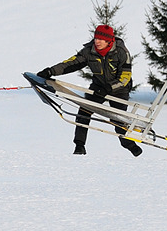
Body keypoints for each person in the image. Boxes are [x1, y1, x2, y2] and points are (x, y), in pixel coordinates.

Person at [36, 24, 142, 157]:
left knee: (118, 120)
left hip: (119, 89)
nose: (97, 42)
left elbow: (125, 77)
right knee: (84, 113)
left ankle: (129, 144)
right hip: (98, 87)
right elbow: (71, 63)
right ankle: (79, 146)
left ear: (109, 41)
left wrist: (109, 88)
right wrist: (50, 71)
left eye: (100, 39)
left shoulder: (121, 52)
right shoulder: (89, 50)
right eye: (95, 38)